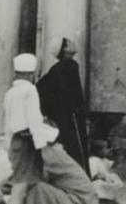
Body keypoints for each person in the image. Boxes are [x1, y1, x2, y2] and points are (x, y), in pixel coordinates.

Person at [37, 38, 90, 172]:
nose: (73, 43)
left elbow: (42, 87)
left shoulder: (58, 68)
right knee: (76, 147)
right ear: (64, 49)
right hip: (72, 116)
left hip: (64, 116)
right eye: (68, 43)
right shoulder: (70, 66)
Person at [6, 130, 97, 204]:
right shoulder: (48, 152)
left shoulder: (44, 155)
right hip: (77, 199)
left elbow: (19, 191)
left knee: (37, 189)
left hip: (81, 201)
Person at [4, 53, 58, 150]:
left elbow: (7, 121)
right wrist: (41, 145)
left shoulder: (10, 92)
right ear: (30, 74)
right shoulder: (30, 90)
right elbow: (34, 121)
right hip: (28, 141)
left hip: (14, 140)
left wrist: (8, 144)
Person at [88, 139, 123, 203]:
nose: (109, 150)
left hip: (105, 182)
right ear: (98, 150)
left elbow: (114, 165)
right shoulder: (93, 160)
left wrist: (117, 155)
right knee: (99, 184)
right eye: (107, 148)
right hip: (98, 183)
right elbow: (93, 175)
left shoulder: (104, 159)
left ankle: (109, 199)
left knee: (114, 176)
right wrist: (103, 177)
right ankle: (102, 200)